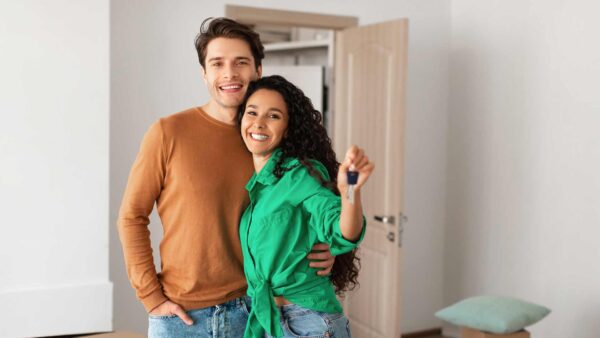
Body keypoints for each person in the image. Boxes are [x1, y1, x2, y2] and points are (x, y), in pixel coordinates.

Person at [117, 18, 335, 338]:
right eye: (217, 64)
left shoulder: (273, 140)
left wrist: (327, 249)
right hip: (181, 318)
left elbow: (309, 209)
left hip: (255, 310)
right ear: (205, 73)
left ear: (258, 70)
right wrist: (151, 298)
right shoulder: (168, 132)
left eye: (240, 63)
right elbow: (131, 216)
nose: (229, 73)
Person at [237, 75, 375, 338]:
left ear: (288, 128)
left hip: (306, 322)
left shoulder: (299, 174)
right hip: (268, 319)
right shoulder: (257, 184)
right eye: (252, 112)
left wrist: (350, 193)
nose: (259, 123)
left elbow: (341, 230)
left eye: (273, 116)